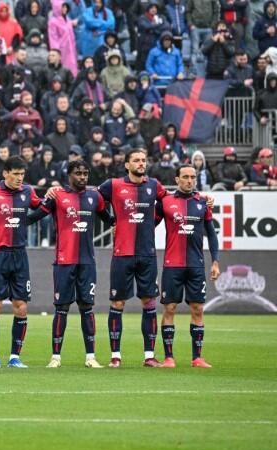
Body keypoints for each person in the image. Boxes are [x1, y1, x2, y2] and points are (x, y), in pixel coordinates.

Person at [29, 160, 113, 368]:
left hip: (87, 263)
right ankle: (55, 357)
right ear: (69, 175)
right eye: (78, 173)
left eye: (85, 173)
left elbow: (109, 219)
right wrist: (9, 220)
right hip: (64, 262)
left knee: (87, 307)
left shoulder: (95, 197)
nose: (83, 177)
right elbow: (36, 215)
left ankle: (90, 357)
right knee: (62, 308)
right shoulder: (57, 196)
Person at [97, 148, 167, 368]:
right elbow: (93, 200)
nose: (141, 163)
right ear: (127, 165)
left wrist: (153, 222)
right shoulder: (113, 185)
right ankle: (115, 356)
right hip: (122, 254)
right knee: (118, 303)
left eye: (143, 160)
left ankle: (149, 356)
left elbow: (169, 203)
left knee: (149, 302)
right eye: (136, 160)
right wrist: (111, 221)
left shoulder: (154, 185)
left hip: (147, 254)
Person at [0, 156, 42, 369]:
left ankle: (14, 357)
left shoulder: (28, 191)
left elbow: (43, 207)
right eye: (16, 174)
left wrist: (52, 196)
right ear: (5, 173)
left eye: (22, 174)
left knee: (21, 308)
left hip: (20, 255)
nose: (20, 178)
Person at [156, 164, 220, 368]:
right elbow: (148, 226)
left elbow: (211, 234)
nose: (190, 180)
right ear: (177, 179)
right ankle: (168, 358)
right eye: (185, 177)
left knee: (198, 309)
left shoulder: (202, 202)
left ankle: (197, 358)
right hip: (172, 265)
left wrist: (215, 261)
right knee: (170, 308)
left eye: (193, 177)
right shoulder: (165, 202)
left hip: (196, 265)